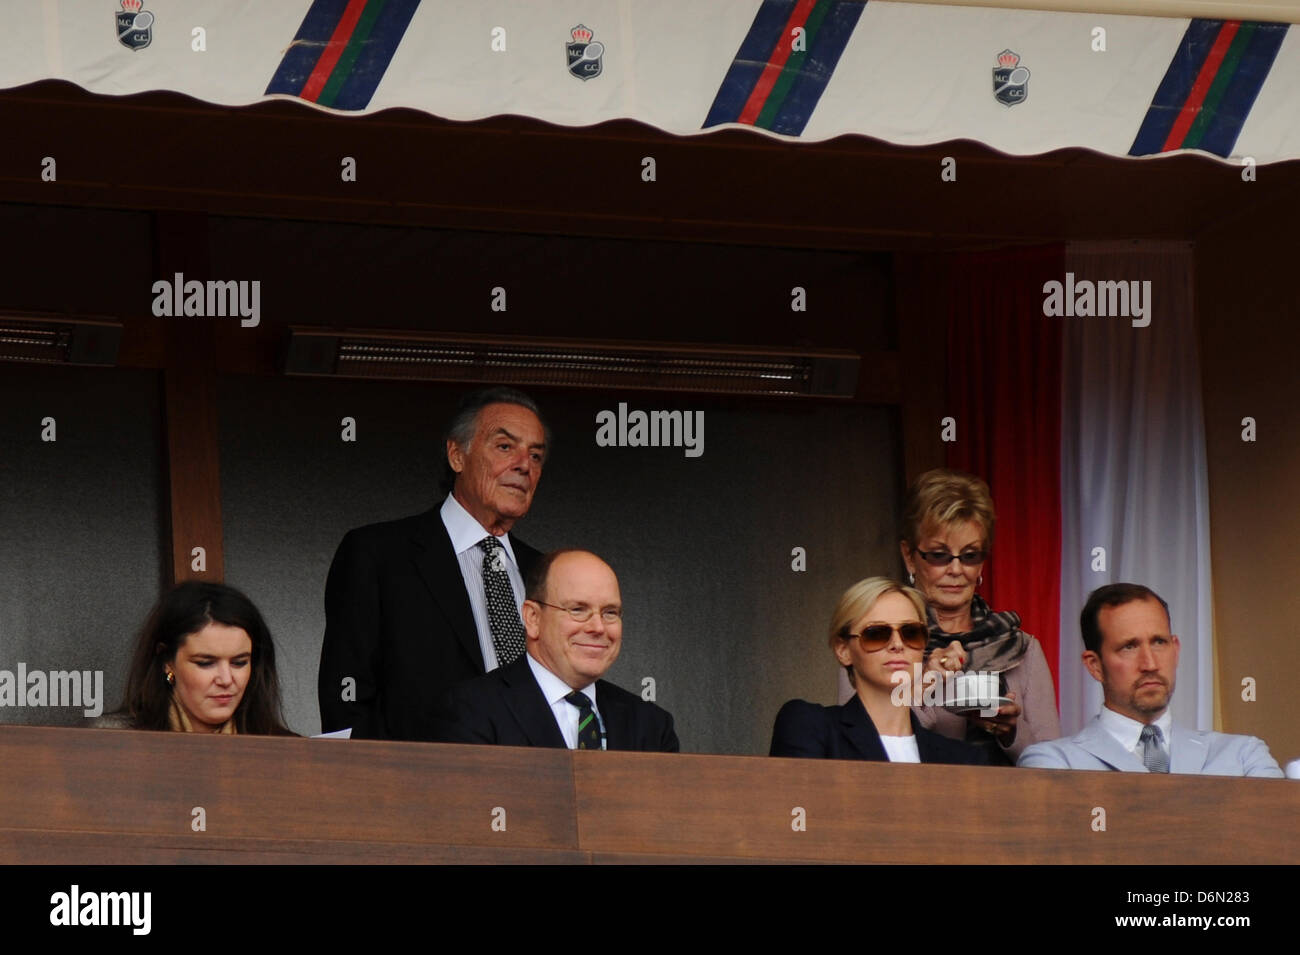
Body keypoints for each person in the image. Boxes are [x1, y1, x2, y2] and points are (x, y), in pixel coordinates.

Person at [318, 387, 548, 740]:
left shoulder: (545, 573)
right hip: (419, 783)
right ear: (457, 455)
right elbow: (345, 701)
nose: (524, 465)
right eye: (505, 447)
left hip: (537, 781)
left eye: (535, 456)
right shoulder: (378, 554)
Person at [1018, 584, 1284, 776]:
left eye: (1159, 642)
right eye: (1129, 647)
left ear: (1176, 649)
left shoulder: (1244, 755)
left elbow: (1275, 846)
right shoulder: (1053, 763)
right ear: (1094, 665)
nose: (1150, 664)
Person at [433, 550, 679, 752]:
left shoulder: (652, 726)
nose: (598, 627)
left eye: (610, 612)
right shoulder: (472, 710)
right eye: (578, 609)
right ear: (533, 618)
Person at [899, 468, 1060, 764]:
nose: (956, 569)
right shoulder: (881, 640)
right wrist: (924, 684)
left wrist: (1010, 732)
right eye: (939, 555)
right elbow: (862, 748)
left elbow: (1053, 766)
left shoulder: (1021, 647)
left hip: (1003, 805)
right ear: (909, 556)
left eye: (970, 555)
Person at [771, 577, 987, 764]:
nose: (897, 644)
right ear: (843, 650)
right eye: (876, 634)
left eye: (911, 632)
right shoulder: (809, 725)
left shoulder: (963, 758)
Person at [94, 581, 294, 735]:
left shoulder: (291, 752)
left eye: (239, 663)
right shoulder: (113, 740)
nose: (226, 679)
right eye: (205, 663)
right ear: (167, 662)